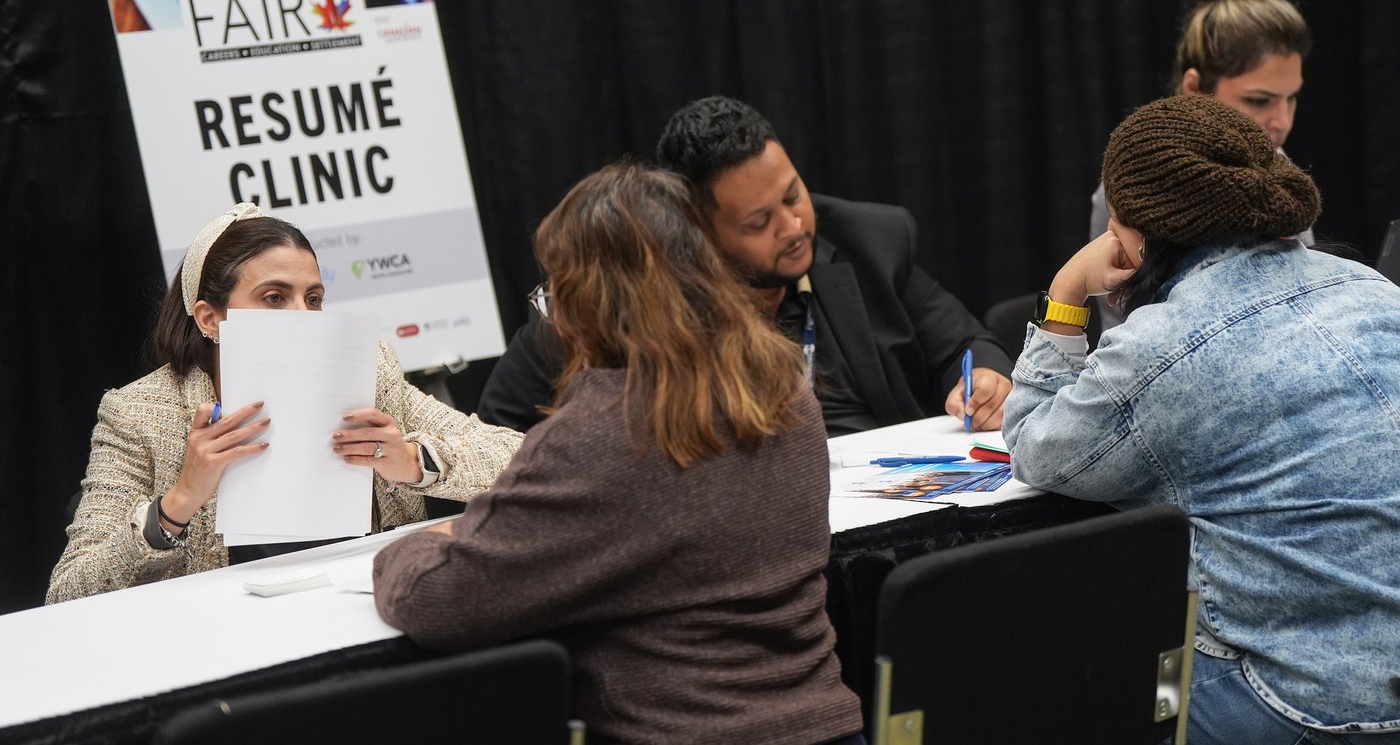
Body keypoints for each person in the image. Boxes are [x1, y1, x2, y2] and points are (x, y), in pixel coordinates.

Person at [373, 162, 866, 744]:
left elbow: (441, 602)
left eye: (555, 291)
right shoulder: (787, 391)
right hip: (829, 726)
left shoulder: (600, 432)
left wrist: (412, 546)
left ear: (588, 302)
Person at [1003, 95, 1400, 742]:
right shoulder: (1372, 288)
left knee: (1109, 688)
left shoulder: (1162, 347)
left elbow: (1036, 445)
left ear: (1131, 230)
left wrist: (1068, 289)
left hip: (1302, 705)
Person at [47, 203, 522, 604]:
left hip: (364, 614)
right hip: (228, 644)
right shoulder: (140, 413)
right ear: (210, 318)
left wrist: (413, 460)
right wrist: (179, 501)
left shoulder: (367, 375)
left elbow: (522, 460)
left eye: (313, 299)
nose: (303, 317)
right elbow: (68, 593)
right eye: (274, 297)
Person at [479, 95, 1013, 436]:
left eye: (793, 195)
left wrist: (986, 379)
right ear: (700, 231)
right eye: (758, 223)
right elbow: (496, 428)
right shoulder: (633, 300)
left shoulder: (870, 240)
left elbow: (966, 343)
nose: (794, 226)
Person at [1090, 0, 1314, 330]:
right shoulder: (1130, 192)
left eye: (1291, 98)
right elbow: (1124, 333)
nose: (1282, 121)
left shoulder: (1281, 171)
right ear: (1195, 88)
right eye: (1259, 101)